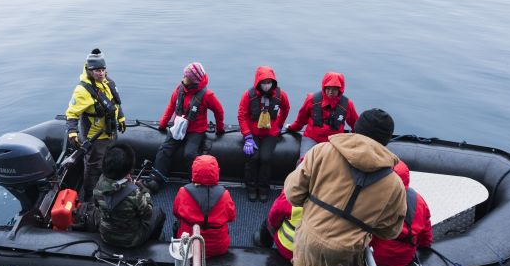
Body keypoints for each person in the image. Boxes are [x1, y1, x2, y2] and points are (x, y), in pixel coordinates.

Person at [283, 108, 406, 266]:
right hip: (345, 254)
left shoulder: (321, 151)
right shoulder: (393, 183)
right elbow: (391, 230)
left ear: (356, 128)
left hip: (308, 240)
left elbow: (293, 193)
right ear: (386, 140)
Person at [148, 62, 225, 192]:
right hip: (178, 127)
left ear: (193, 80)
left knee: (189, 154)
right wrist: (163, 123)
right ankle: (156, 179)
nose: (183, 78)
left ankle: (195, 182)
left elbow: (219, 111)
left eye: (186, 76)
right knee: (164, 149)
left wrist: (220, 129)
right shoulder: (179, 89)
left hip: (196, 130)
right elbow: (171, 106)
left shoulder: (207, 95)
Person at [64, 48, 126, 201]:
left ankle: (108, 190)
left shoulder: (108, 83)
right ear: (89, 70)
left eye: (103, 69)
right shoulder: (82, 91)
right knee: (94, 168)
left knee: (110, 162)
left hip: (110, 132)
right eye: (97, 70)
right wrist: (72, 132)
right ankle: (90, 198)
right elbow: (72, 113)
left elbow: (115, 103)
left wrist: (121, 118)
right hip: (95, 137)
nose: (101, 73)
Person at [92, 144, 166, 248]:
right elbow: (147, 214)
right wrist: (144, 190)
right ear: (128, 169)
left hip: (105, 235)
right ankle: (154, 242)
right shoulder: (134, 194)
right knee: (159, 213)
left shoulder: (98, 184)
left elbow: (96, 205)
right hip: (131, 240)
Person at [237, 66, 290, 202]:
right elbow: (242, 115)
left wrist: (279, 125)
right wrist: (247, 136)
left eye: (269, 82)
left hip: (270, 132)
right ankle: (251, 187)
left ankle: (263, 188)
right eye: (264, 82)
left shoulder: (280, 95)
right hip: (252, 132)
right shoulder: (248, 95)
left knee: (266, 158)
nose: (266, 85)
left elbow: (286, 108)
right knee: (252, 158)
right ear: (258, 82)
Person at [371, 161, 434, 266]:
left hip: (377, 255)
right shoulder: (419, 200)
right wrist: (425, 245)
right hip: (404, 258)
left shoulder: (376, 199)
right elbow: (426, 226)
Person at [172, 155, 236, 257]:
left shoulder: (183, 192)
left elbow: (176, 213)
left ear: (194, 171)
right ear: (217, 171)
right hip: (218, 247)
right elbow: (231, 217)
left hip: (189, 246)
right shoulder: (225, 195)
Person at [285, 71, 358, 156]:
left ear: (340, 90)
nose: (331, 92)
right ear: (324, 87)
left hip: (333, 141)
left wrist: (359, 138)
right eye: (328, 88)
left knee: (333, 164)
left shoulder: (347, 104)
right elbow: (301, 118)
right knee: (304, 161)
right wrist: (292, 128)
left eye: (334, 89)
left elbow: (355, 124)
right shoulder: (311, 99)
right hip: (312, 138)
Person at [265, 190, 299, 261]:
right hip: (316, 255)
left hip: (287, 249)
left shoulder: (292, 195)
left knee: (268, 222)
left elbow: (274, 217)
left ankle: (263, 243)